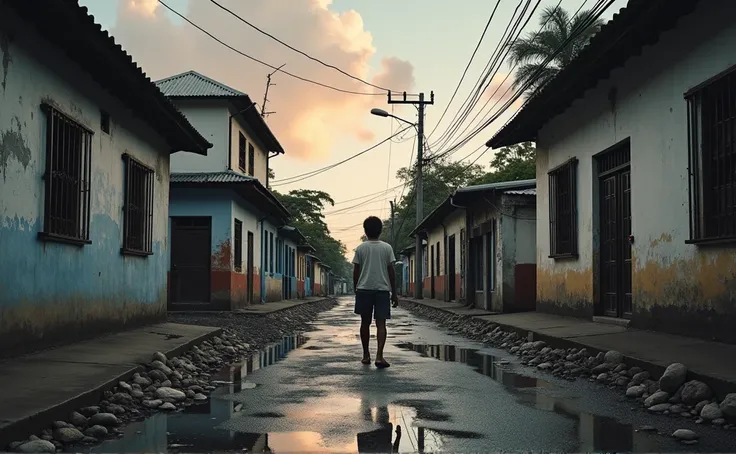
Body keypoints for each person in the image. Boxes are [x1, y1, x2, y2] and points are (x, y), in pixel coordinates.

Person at [352, 216, 398, 368]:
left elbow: (356, 270)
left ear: (365, 231)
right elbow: (391, 271)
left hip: (364, 289)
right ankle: (379, 356)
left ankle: (366, 355)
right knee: (381, 324)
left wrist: (356, 288)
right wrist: (395, 292)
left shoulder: (360, 248)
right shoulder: (387, 248)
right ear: (380, 230)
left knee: (364, 323)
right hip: (382, 290)